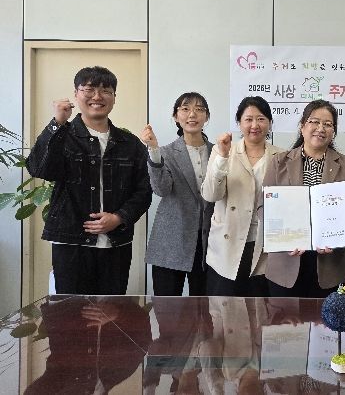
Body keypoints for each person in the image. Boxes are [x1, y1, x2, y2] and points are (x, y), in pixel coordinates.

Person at [26, 66, 152, 295]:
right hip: (71, 242)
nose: (97, 96)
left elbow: (144, 190)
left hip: (116, 242)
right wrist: (57, 123)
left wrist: (119, 217)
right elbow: (37, 168)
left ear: (114, 97)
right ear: (76, 94)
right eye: (89, 89)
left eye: (105, 90)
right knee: (71, 310)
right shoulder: (63, 135)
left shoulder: (130, 143)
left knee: (112, 308)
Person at [261, 99, 345, 298]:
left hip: (330, 264)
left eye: (328, 124)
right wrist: (282, 238)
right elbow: (263, 206)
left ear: (334, 131)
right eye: (314, 122)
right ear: (302, 126)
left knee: (328, 318)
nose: (320, 128)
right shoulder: (279, 161)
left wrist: (337, 239)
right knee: (286, 318)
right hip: (286, 262)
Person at [201, 96, 283, 296]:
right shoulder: (222, 150)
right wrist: (222, 157)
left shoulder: (281, 156)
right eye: (248, 119)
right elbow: (211, 195)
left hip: (263, 245)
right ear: (239, 123)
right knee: (225, 307)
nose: (255, 125)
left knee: (259, 308)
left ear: (270, 122)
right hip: (226, 244)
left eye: (261, 119)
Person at [141, 92, 214, 296]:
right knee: (168, 308)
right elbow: (161, 189)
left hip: (208, 240)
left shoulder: (218, 152)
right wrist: (153, 150)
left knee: (203, 307)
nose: (192, 114)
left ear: (206, 117)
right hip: (171, 239)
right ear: (176, 116)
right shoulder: (165, 152)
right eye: (185, 109)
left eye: (199, 109)